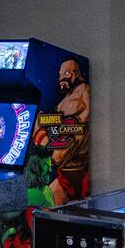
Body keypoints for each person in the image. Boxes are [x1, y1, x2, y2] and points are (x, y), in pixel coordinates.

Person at [49, 58, 90, 203]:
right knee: (41, 209)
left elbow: (84, 121)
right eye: (60, 74)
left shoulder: (83, 92)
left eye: (66, 73)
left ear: (76, 73)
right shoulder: (64, 100)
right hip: (65, 172)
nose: (62, 77)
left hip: (80, 171)